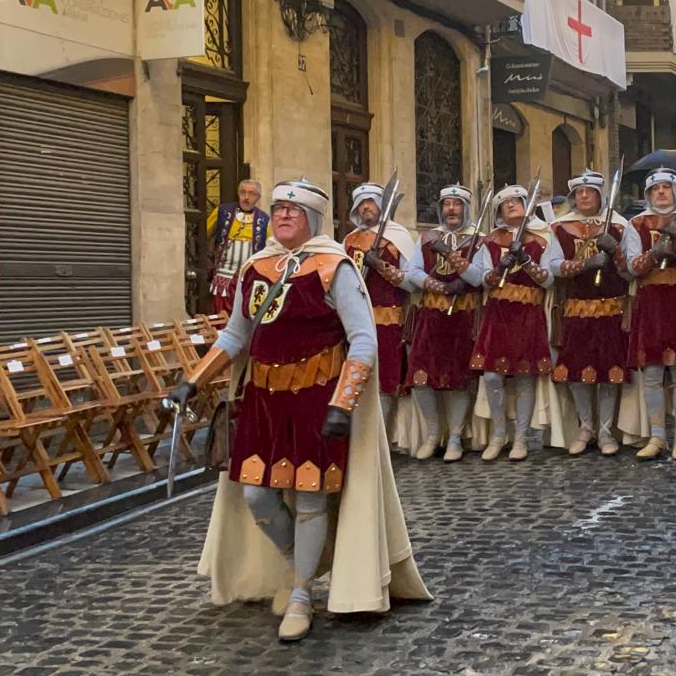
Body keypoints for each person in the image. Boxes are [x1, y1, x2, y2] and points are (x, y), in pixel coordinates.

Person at [172, 178, 428, 642]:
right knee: (255, 494)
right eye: (279, 207)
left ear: (312, 218)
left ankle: (302, 594)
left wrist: (342, 404)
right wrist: (193, 379)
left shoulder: (336, 267)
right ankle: (295, 565)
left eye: (294, 209)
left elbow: (363, 340)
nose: (285, 214)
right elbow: (236, 335)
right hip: (264, 398)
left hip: (318, 396)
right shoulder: (257, 266)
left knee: (310, 495)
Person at [623, 169, 676, 460]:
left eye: (667, 187)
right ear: (648, 194)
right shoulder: (637, 223)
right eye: (656, 188)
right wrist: (654, 253)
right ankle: (657, 436)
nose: (661, 192)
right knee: (652, 373)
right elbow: (633, 267)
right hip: (652, 301)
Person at [463, 186, 554, 461]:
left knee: (525, 377)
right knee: (492, 375)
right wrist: (501, 266)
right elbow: (481, 279)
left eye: (516, 201)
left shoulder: (543, 239)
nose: (512, 205)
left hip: (528, 313)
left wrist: (525, 259)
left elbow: (548, 279)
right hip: (499, 312)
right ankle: (499, 433)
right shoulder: (490, 241)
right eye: (506, 203)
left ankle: (521, 438)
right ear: (499, 211)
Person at [547, 171, 633, 456]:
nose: (584, 196)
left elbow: (628, 270)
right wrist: (583, 265)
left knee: (609, 368)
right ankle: (586, 426)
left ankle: (607, 430)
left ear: (600, 195)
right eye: (579, 193)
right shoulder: (558, 227)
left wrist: (616, 251)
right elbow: (553, 265)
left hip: (611, 305)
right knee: (576, 367)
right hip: (576, 306)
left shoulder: (620, 225)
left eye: (590, 192)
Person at [406, 186, 480, 461]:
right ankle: (433, 433)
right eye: (447, 204)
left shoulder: (479, 240)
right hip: (431, 316)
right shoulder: (428, 238)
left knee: (458, 380)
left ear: (465, 209)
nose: (451, 209)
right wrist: (438, 285)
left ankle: (457, 437)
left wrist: (465, 273)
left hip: (464, 317)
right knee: (421, 378)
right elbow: (412, 271)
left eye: (457, 204)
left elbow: (482, 277)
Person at [342, 184, 421, 438]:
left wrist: (382, 266)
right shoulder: (349, 240)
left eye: (371, 202)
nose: (366, 207)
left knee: (388, 378)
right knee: (357, 375)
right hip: (354, 318)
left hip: (390, 317)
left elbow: (411, 282)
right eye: (362, 203)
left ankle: (385, 436)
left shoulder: (397, 238)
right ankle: (361, 434)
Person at [206, 179, 269, 316]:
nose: (246, 197)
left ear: (257, 197)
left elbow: (271, 246)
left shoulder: (265, 219)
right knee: (221, 313)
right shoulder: (222, 211)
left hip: (248, 276)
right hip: (224, 273)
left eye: (251, 193)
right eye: (243, 192)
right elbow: (203, 234)